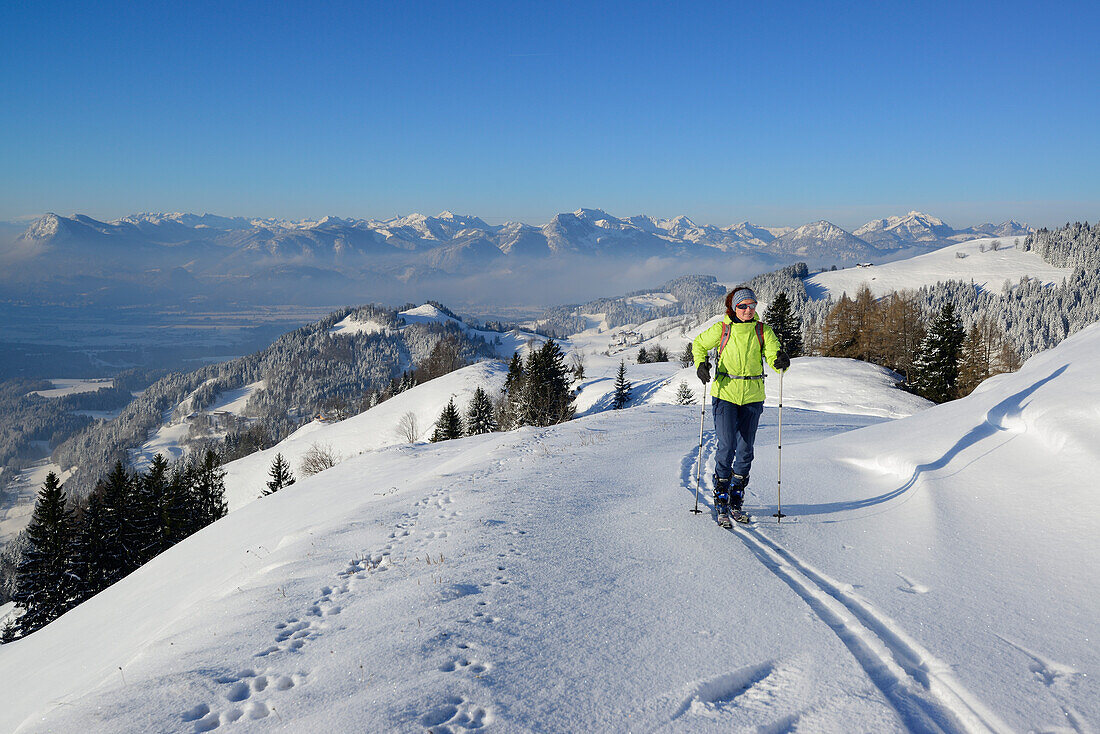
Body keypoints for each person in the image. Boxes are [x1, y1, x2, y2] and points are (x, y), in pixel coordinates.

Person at [692, 286, 790, 524]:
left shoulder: (763, 331)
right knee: (726, 447)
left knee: (745, 450)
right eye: (743, 306)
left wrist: (781, 361)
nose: (748, 310)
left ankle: (736, 497)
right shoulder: (722, 329)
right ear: (733, 308)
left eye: (752, 305)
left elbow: (775, 357)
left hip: (753, 396)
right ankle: (721, 495)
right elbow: (699, 344)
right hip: (725, 393)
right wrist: (701, 363)